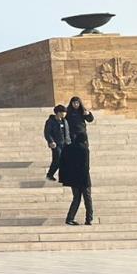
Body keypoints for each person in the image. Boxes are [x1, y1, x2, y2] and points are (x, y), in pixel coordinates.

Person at [61, 96, 95, 226]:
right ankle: (87, 219)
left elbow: (90, 119)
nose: (75, 104)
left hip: (79, 175)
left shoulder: (83, 112)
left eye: (77, 102)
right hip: (82, 176)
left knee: (81, 197)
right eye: (74, 102)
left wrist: (87, 113)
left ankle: (79, 218)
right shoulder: (68, 114)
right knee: (85, 196)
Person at [44, 104, 68, 182]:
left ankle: (56, 175)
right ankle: (50, 174)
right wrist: (51, 141)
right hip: (55, 144)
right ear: (58, 112)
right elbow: (47, 133)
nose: (65, 114)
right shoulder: (50, 121)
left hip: (64, 143)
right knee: (57, 159)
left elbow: (66, 132)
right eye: (63, 112)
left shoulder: (64, 121)